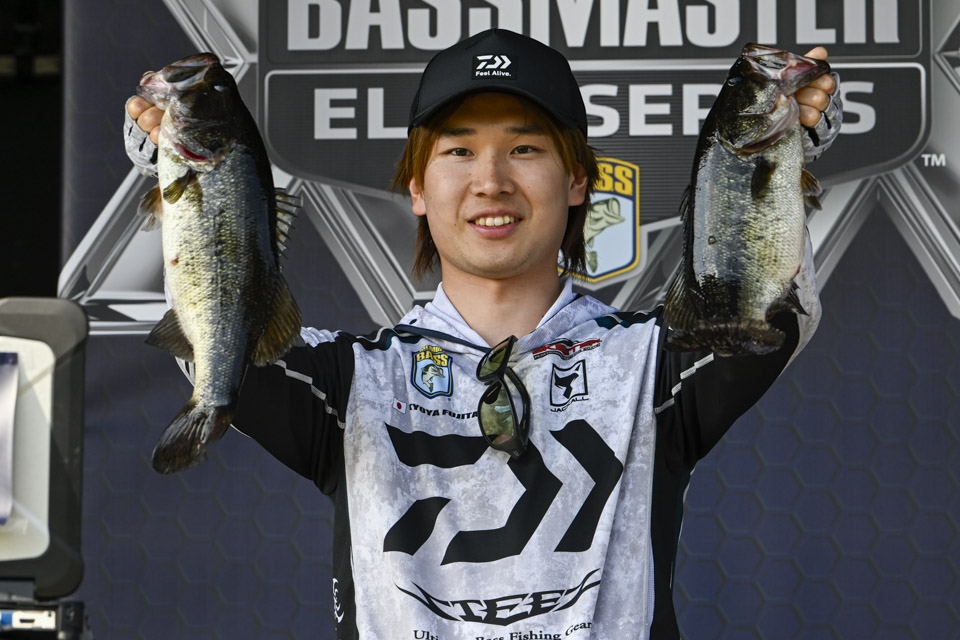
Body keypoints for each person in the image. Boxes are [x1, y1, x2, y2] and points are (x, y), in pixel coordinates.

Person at [125, 29, 841, 640]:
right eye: (458, 152)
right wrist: (173, 163)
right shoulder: (349, 382)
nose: (491, 180)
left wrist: (785, 152)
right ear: (416, 187)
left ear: (578, 180)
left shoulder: (652, 363)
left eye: (524, 148)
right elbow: (216, 332)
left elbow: (774, 312)